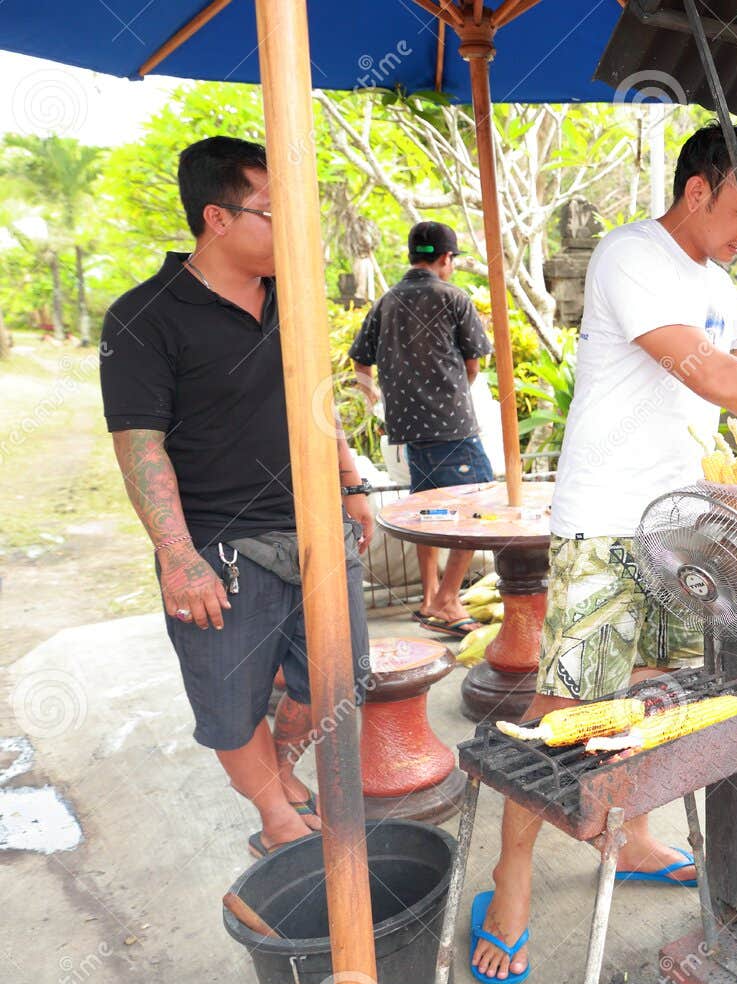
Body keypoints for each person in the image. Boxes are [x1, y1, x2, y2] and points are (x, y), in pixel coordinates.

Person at [470, 123, 737, 984]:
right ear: (699, 191)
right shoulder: (629, 258)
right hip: (604, 521)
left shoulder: (713, 279)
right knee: (564, 708)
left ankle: (631, 837)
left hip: (680, 526)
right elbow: (710, 373)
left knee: (657, 697)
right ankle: (509, 879)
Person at [99, 136, 374, 859]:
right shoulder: (144, 317)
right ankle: (273, 815)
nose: (295, 228)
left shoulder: (295, 297)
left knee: (337, 678)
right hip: (220, 545)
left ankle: (281, 768)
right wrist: (177, 555)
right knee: (229, 701)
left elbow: (320, 398)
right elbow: (139, 444)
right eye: (273, 211)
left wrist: (351, 483)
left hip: (314, 525)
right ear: (217, 219)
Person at [349, 221, 495, 637]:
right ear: (446, 259)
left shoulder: (386, 301)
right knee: (477, 509)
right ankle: (449, 599)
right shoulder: (452, 297)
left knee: (428, 511)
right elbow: (472, 364)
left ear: (413, 255)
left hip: (407, 431)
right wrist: (451, 398)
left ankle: (430, 597)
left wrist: (373, 398)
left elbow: (360, 361)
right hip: (451, 429)